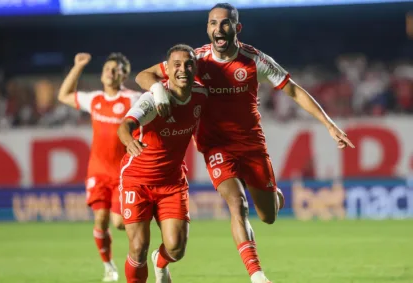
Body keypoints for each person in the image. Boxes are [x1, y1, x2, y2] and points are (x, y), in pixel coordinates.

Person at [135, 3, 355, 283]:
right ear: (207, 28)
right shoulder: (196, 60)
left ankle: (162, 257)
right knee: (237, 204)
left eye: (225, 23)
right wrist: (157, 89)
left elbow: (294, 91)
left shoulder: (255, 60)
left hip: (252, 146)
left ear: (236, 28)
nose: (219, 29)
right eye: (213, 23)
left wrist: (329, 125)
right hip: (215, 147)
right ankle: (257, 275)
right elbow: (144, 74)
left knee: (269, 215)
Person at [117, 44, 207, 283]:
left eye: (188, 65)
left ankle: (161, 260)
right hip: (137, 180)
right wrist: (129, 141)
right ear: (166, 69)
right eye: (176, 65)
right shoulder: (152, 100)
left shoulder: (201, 95)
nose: (183, 70)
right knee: (138, 247)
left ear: (195, 68)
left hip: (171, 181)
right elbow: (125, 126)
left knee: (176, 248)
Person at [58, 52, 142, 282]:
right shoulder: (94, 99)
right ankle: (109, 267)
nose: (110, 71)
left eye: (116, 69)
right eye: (107, 68)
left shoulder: (133, 99)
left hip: (124, 173)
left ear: (124, 75)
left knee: (120, 223)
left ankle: (137, 249)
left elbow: (154, 114)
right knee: (101, 220)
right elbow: (64, 95)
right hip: (98, 172)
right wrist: (77, 67)